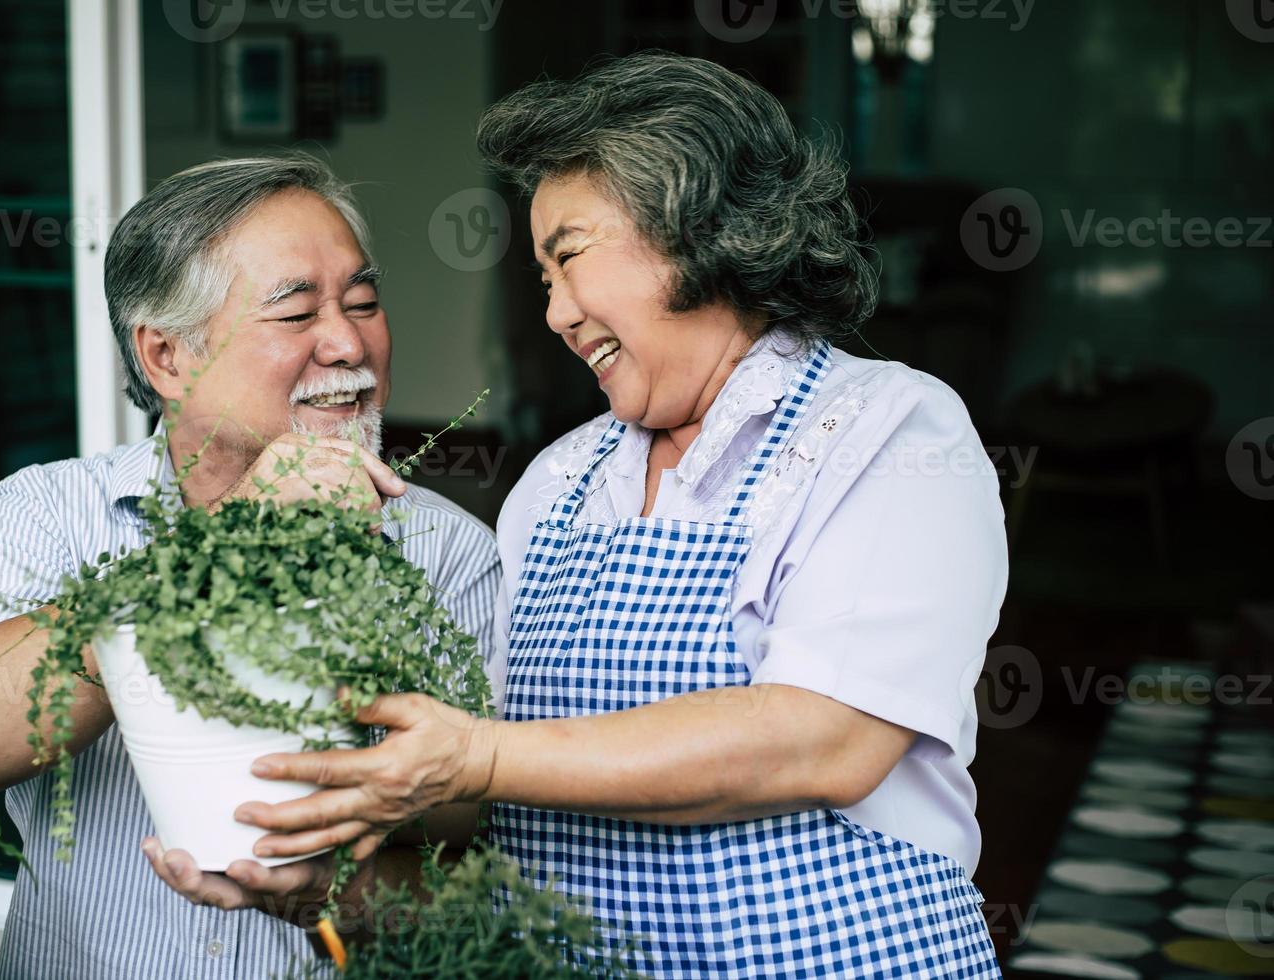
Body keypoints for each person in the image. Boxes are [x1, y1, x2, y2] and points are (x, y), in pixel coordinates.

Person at [194, 53, 1009, 978]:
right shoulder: (558, 483)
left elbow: (827, 740)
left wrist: (471, 758)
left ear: (700, 227)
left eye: (569, 258)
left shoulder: (889, 431)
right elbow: (497, 784)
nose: (555, 312)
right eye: (543, 279)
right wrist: (334, 829)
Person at [0, 154, 500, 979]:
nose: (348, 341)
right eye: (297, 313)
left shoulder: (450, 555)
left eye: (362, 303)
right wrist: (225, 544)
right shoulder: (50, 513)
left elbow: (470, 869)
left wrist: (328, 888)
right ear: (166, 359)